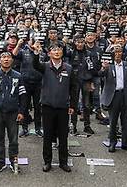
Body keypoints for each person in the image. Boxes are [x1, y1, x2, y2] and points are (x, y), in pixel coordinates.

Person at [32, 42, 78, 173]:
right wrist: (36, 53)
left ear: (62, 53)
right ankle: (47, 162)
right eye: (53, 50)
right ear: (49, 53)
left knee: (63, 136)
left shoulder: (68, 68)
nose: (56, 52)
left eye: (59, 50)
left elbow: (74, 88)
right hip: (48, 107)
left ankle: (63, 162)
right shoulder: (45, 66)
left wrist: (73, 105)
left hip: (63, 107)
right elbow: (35, 65)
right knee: (47, 136)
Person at [0, 50, 27, 173]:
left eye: (8, 57)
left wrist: (22, 112)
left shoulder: (18, 75)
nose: (6, 59)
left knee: (13, 139)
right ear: (0, 61)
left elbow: (23, 95)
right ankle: (0, 162)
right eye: (3, 57)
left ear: (12, 60)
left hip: (13, 112)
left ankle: (13, 161)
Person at [99, 45, 127, 152]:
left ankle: (125, 143)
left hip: (125, 95)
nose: (118, 54)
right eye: (116, 52)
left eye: (120, 52)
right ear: (112, 54)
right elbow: (100, 74)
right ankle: (112, 143)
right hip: (113, 96)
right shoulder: (109, 66)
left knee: (126, 121)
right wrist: (103, 67)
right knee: (113, 121)